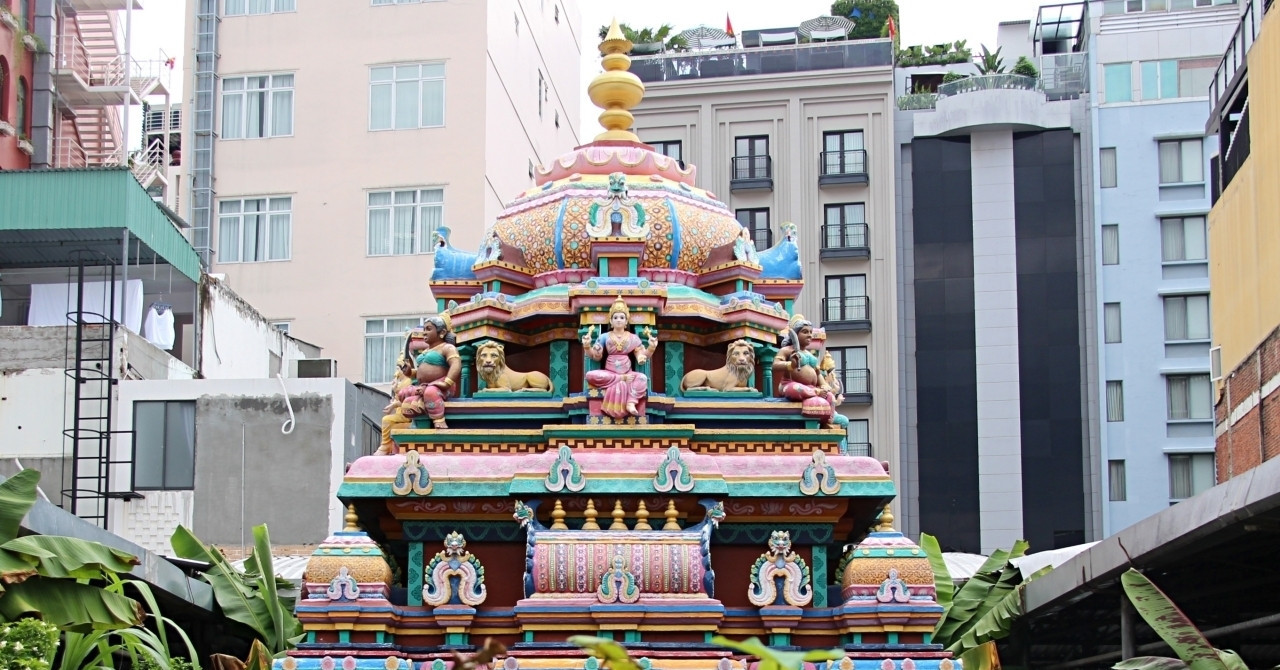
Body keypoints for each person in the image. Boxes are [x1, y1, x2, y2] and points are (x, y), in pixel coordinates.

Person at [582, 296, 658, 419]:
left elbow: (641, 356)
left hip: (628, 373)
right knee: (590, 375)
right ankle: (620, 378)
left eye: (622, 317)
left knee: (643, 378)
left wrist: (651, 347)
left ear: (626, 321)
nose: (618, 320)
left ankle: (631, 402)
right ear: (611, 321)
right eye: (615, 317)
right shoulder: (604, 337)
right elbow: (596, 357)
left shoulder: (633, 338)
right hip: (610, 373)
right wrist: (587, 346)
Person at [772, 314, 838, 425]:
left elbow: (818, 373)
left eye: (810, 332)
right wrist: (791, 364)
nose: (809, 335)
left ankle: (828, 422)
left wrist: (823, 384)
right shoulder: (787, 350)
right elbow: (775, 365)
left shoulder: (810, 355)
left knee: (830, 396)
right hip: (789, 384)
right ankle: (816, 393)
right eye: (805, 332)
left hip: (811, 387)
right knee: (796, 388)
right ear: (795, 334)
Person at [399, 315, 461, 429]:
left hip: (442, 386)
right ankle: (420, 402)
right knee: (403, 393)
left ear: (442, 332)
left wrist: (447, 382)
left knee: (430, 392)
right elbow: (420, 372)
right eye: (424, 329)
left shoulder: (447, 348)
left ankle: (439, 419)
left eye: (428, 329)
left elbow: (456, 365)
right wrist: (409, 372)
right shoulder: (425, 351)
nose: (424, 332)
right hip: (424, 385)